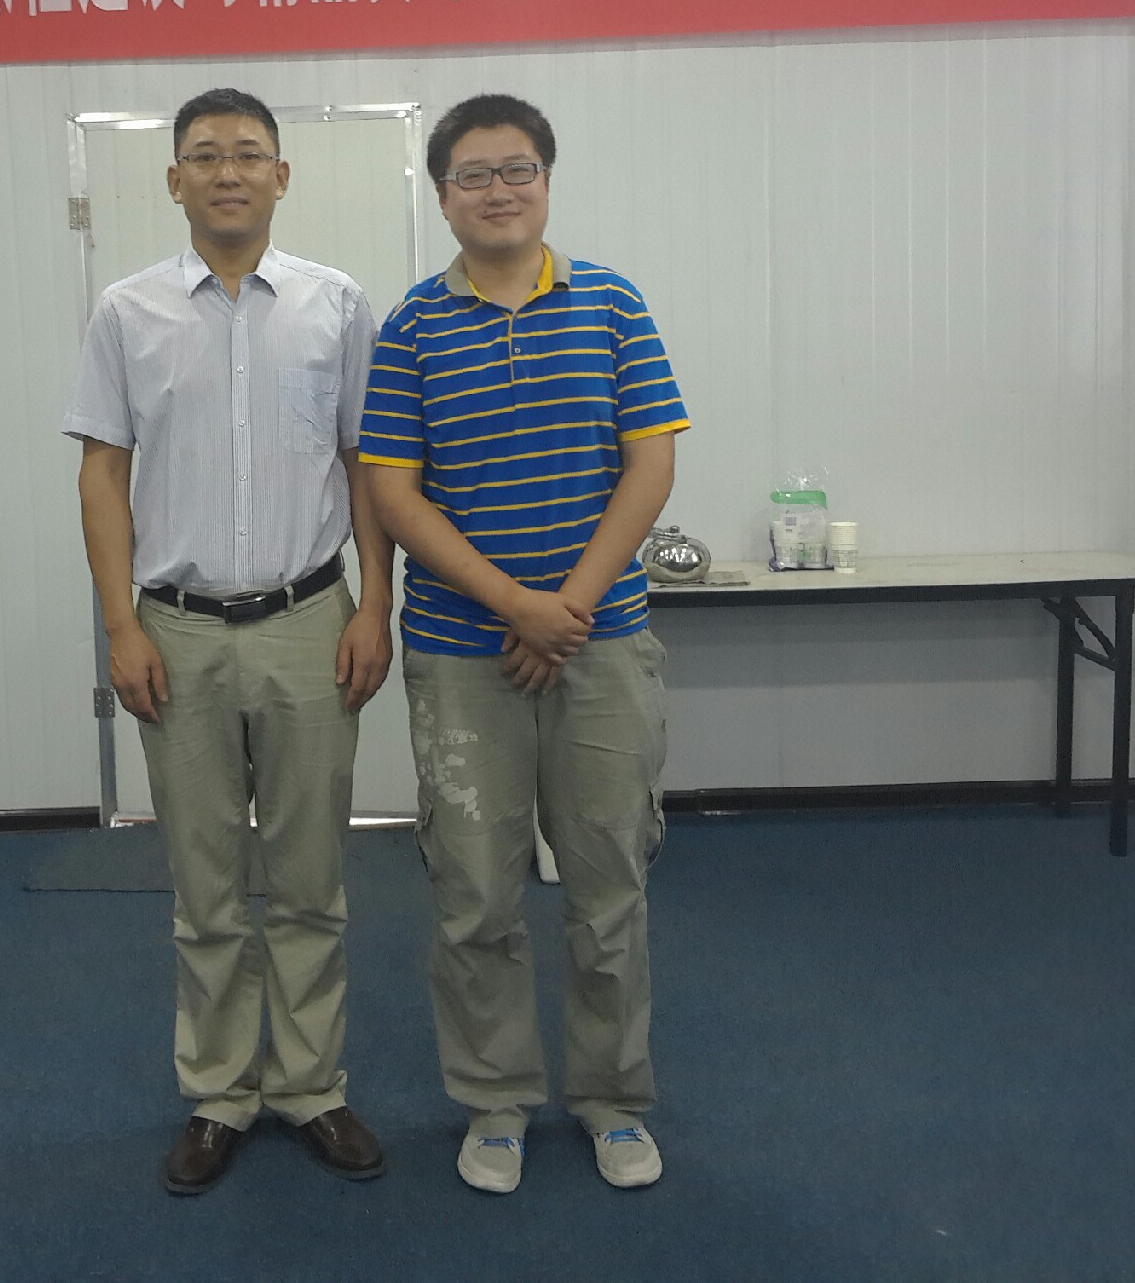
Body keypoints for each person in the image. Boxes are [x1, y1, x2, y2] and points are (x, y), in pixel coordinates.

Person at [63, 87, 396, 1195]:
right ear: (173, 181)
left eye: (249, 153)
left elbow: (366, 465)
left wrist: (374, 605)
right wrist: (120, 624)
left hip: (309, 622)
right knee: (204, 887)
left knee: (309, 878)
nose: (227, 171)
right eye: (203, 155)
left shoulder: (335, 305)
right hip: (177, 629)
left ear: (281, 176)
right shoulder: (126, 312)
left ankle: (309, 1085)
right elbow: (101, 472)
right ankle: (218, 1093)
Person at [357, 93, 688, 1195]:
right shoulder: (411, 328)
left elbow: (649, 463)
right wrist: (514, 604)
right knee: (474, 894)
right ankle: (494, 1101)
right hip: (462, 656)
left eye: (516, 169)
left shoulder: (610, 303)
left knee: (608, 886)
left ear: (546, 179)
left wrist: (566, 608)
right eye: (472, 174)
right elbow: (395, 495)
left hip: (601, 646)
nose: (496, 190)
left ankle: (611, 1100)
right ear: (440, 193)